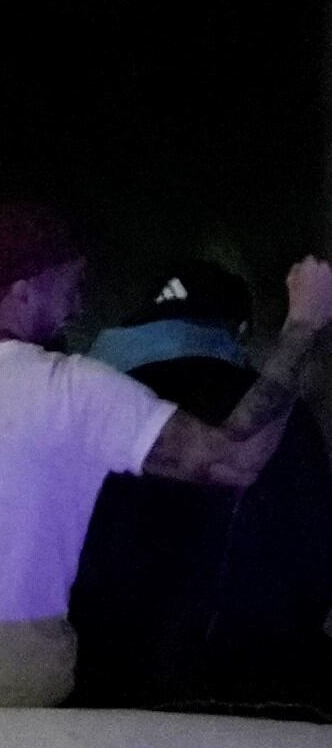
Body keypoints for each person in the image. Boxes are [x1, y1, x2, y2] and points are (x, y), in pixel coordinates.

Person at [0, 206, 332, 707]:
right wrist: (304, 325)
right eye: (69, 286)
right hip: (33, 693)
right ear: (24, 290)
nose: (75, 306)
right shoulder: (73, 388)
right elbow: (235, 460)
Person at [70, 257, 332, 708]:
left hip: (110, 677)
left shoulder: (102, 400)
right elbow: (316, 548)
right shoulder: (282, 413)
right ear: (239, 331)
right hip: (263, 679)